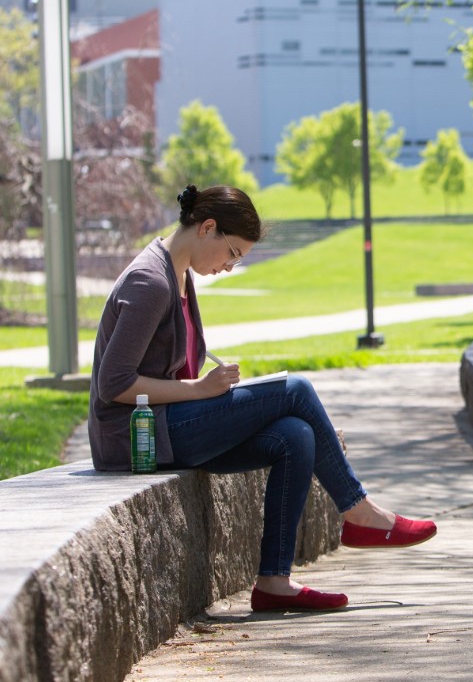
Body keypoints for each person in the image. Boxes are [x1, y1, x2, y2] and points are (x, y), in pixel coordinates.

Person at [88, 183, 436, 612]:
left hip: (169, 424)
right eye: (232, 253)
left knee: (295, 435)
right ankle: (359, 511)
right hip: (134, 439)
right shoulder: (150, 281)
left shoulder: (178, 277)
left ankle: (274, 581)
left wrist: (211, 395)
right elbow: (114, 384)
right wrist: (199, 390)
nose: (229, 266)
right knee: (296, 389)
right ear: (207, 228)